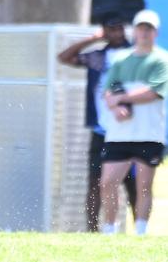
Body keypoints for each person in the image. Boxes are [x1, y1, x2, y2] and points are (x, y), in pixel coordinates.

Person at [57, 12, 136, 232]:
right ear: (105, 31)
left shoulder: (134, 55)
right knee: (95, 182)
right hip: (101, 131)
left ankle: (140, 230)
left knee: (133, 183)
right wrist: (92, 39)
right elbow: (64, 57)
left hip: (130, 130)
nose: (117, 33)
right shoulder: (97, 57)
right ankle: (92, 230)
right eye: (112, 29)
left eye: (120, 28)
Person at [100, 9, 168, 235]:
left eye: (148, 29)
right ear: (135, 31)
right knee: (108, 182)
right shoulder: (121, 60)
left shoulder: (161, 60)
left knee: (144, 186)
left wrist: (123, 98)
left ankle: (140, 231)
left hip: (149, 133)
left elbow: (154, 92)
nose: (144, 33)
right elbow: (108, 91)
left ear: (155, 33)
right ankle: (109, 230)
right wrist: (117, 106)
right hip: (120, 134)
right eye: (140, 28)